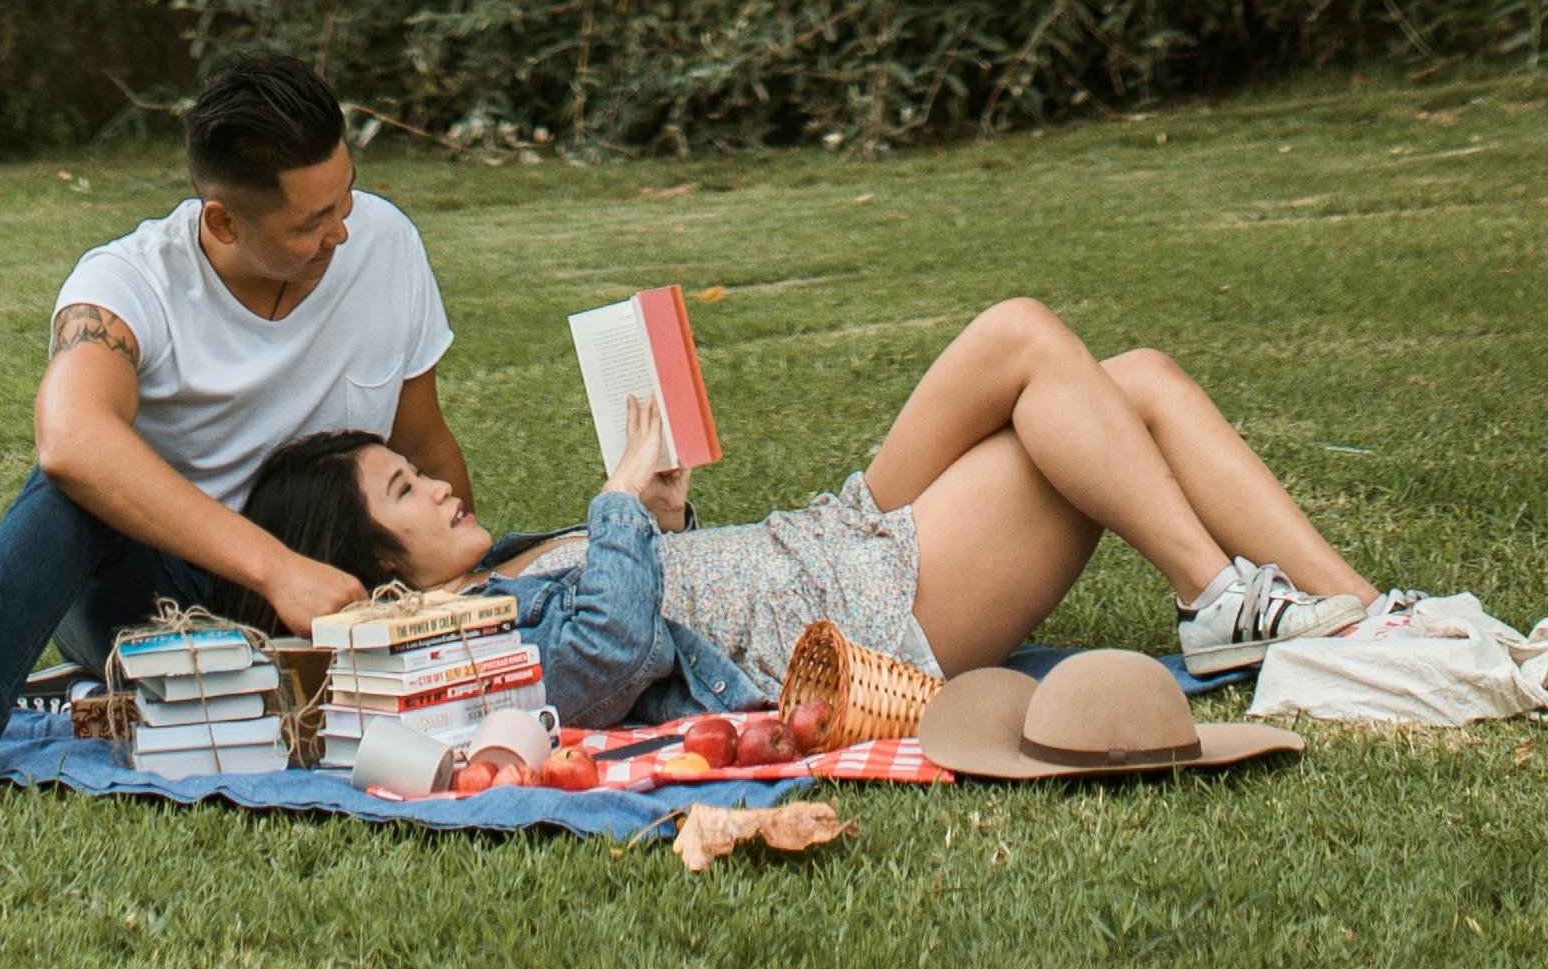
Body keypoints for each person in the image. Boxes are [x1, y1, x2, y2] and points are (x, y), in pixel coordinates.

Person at [238, 295, 1377, 732]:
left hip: (830, 541)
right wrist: (618, 508)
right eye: (403, 491)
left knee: (1131, 373)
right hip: (867, 615)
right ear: (382, 575)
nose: (439, 481)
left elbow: (663, 600)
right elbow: (599, 672)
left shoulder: (507, 570)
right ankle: (1219, 602)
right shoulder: (471, 647)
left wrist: (663, 516)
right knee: (1035, 346)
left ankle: (1364, 612)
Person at [0, 47, 466, 828]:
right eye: (311, 222)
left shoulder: (386, 244)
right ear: (222, 220)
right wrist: (275, 569)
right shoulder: (128, 284)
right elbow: (69, 439)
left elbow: (423, 440)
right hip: (157, 591)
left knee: (551, 551)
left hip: (330, 597)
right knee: (75, 485)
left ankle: (124, 690)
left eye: (346, 197)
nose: (343, 233)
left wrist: (463, 585)